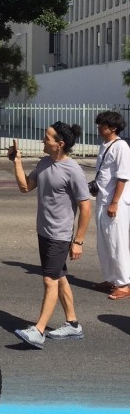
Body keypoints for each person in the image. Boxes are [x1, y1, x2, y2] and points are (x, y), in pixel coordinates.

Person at [10, 122, 91, 348]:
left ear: (60, 144)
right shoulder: (44, 163)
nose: (43, 140)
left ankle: (39, 330)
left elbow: (85, 207)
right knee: (59, 276)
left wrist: (78, 241)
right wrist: (16, 161)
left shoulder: (73, 170)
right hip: (44, 231)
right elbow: (25, 187)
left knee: (49, 280)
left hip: (60, 234)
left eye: (47, 137)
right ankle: (73, 325)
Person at [92, 110, 130, 300]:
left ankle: (123, 283)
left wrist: (115, 203)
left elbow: (123, 176)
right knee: (104, 243)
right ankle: (110, 278)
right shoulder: (104, 145)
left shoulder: (121, 147)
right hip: (102, 200)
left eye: (102, 125)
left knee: (117, 243)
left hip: (116, 203)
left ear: (113, 128)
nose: (99, 128)